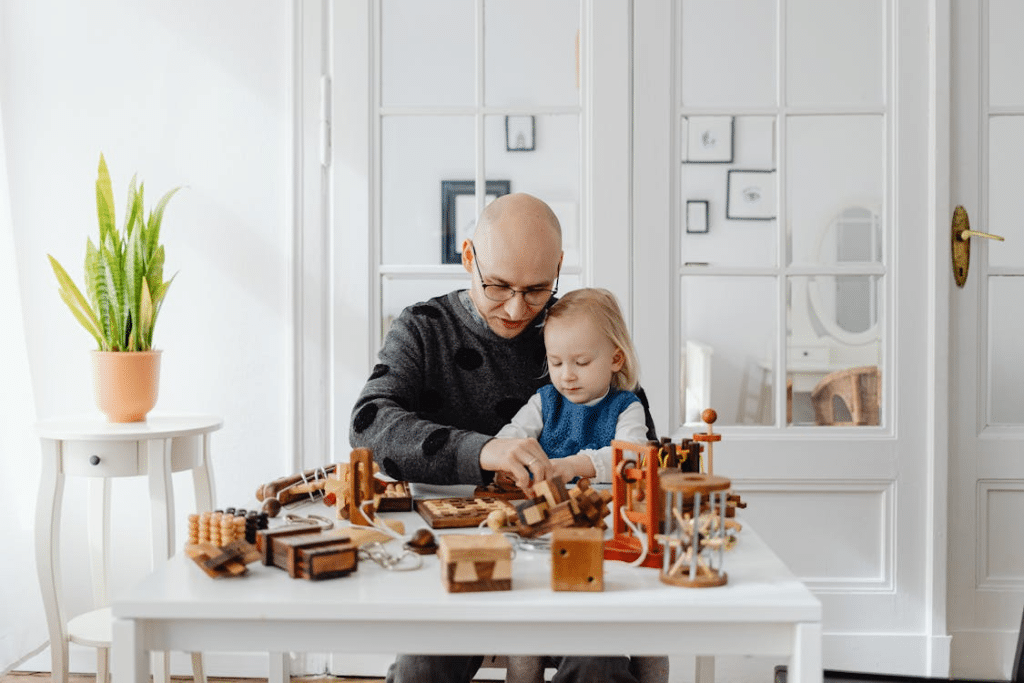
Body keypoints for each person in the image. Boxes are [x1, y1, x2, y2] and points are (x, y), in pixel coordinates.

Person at [350, 192, 660, 683]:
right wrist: (484, 449)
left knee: (597, 665)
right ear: (468, 256)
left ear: (559, 267)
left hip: (571, 547)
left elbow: (642, 449)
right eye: (498, 286)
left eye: (537, 289)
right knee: (421, 668)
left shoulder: (576, 329)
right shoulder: (424, 327)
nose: (517, 309)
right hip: (458, 546)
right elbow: (369, 424)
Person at [495, 287, 648, 484]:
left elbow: (632, 456)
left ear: (616, 359)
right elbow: (511, 437)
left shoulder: (626, 407)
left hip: (604, 507)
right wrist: (504, 462)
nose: (567, 376)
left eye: (582, 362)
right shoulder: (543, 402)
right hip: (543, 503)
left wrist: (575, 466)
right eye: (556, 363)